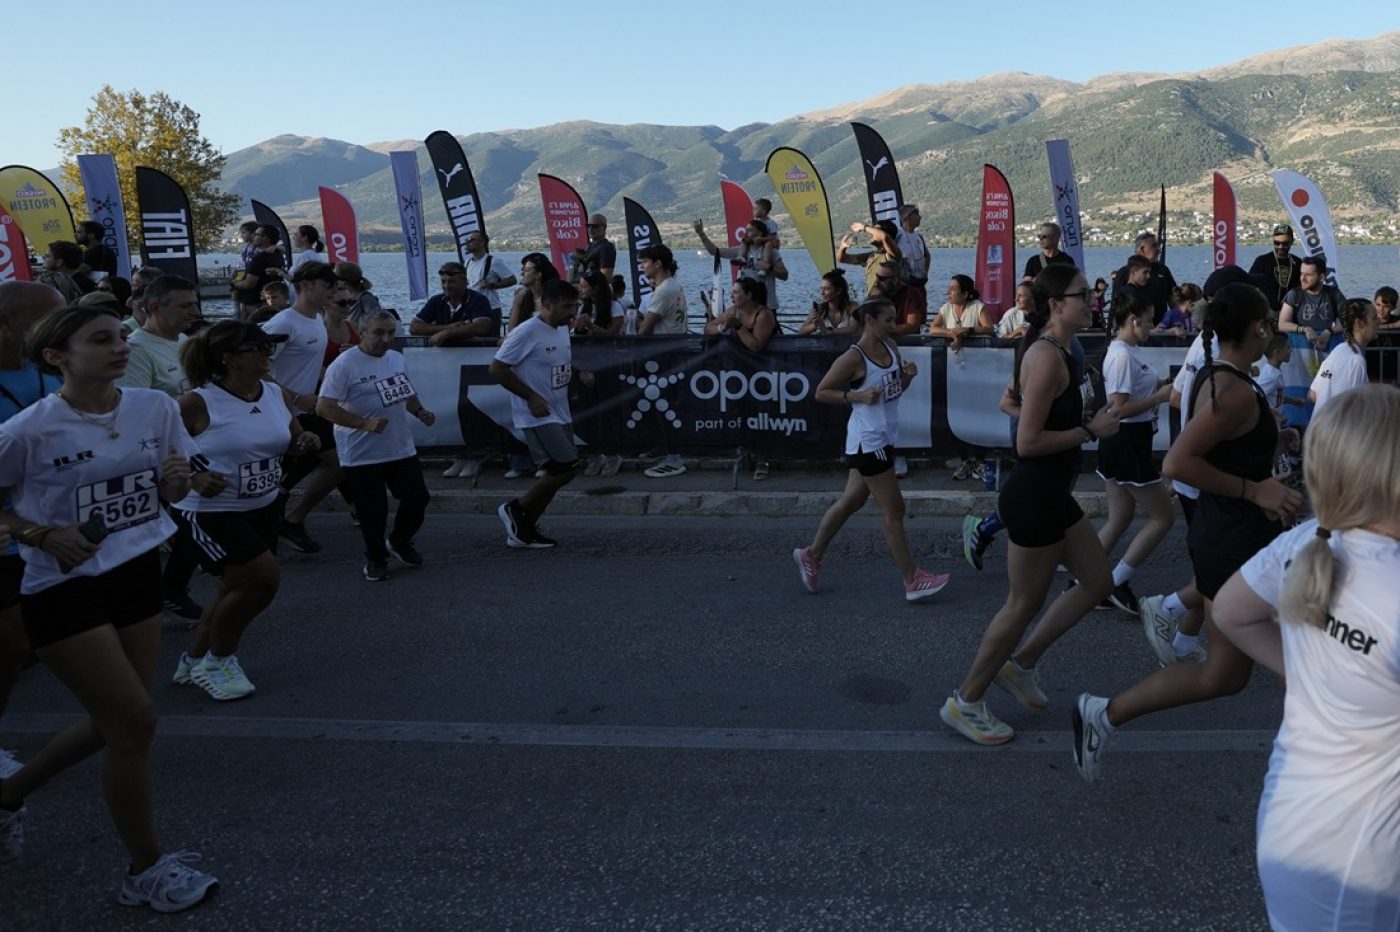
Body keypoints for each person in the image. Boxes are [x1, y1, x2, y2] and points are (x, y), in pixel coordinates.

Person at [0, 305, 218, 910]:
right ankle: (145, 870)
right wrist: (40, 534)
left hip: (136, 571)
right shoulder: (27, 431)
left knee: (118, 723)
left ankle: (8, 797)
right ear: (57, 357)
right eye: (101, 340)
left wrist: (177, 481)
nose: (120, 346)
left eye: (121, 336)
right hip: (63, 587)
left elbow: (170, 488)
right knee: (134, 724)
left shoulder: (155, 408)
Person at [1072, 282, 1304, 781]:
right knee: (1298, 658)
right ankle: (1326, 769)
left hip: (1234, 536)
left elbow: (1223, 449)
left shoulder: (1222, 378)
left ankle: (1103, 714)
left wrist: (1272, 444)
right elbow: (1178, 463)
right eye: (1267, 323)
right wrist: (1255, 490)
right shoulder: (1233, 389)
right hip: (1232, 539)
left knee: (1224, 676)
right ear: (1259, 328)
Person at [1211, 385, 1400, 931]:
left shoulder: (1306, 546)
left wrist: (1312, 674)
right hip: (1361, 865)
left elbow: (1230, 612)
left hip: (1290, 823)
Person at [940, 265, 1121, 746]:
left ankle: (1020, 666)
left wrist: (1075, 418)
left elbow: (1011, 401)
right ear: (1057, 304)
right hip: (1035, 494)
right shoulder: (1046, 357)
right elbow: (1028, 442)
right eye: (1082, 294)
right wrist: (1088, 430)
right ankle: (965, 701)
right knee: (1022, 604)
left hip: (1053, 493)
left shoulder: (1061, 348)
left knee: (1098, 582)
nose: (1092, 300)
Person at [171, 321, 317, 700]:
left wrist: (304, 440)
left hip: (262, 506)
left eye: (270, 348)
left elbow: (292, 437)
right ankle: (219, 662)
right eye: (260, 349)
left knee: (234, 587)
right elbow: (159, 446)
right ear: (230, 358)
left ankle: (193, 659)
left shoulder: (274, 392)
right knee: (263, 580)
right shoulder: (197, 402)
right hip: (210, 512)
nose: (269, 355)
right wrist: (194, 476)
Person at [792, 297, 951, 602]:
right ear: (869, 320)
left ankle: (811, 555)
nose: (893, 325)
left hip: (883, 435)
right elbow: (822, 392)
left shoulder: (890, 346)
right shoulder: (854, 357)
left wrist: (907, 376)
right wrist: (856, 396)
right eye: (888, 320)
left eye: (894, 319)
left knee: (852, 500)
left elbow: (895, 390)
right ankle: (912, 579)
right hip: (869, 441)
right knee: (895, 509)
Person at [0, 282, 65, 780]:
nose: (59, 329)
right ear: (6, 324)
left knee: (22, 649)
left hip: (51, 534)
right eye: (47, 319)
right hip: (8, 538)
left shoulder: (53, 374)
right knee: (13, 646)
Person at [317, 312, 434, 581]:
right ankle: (376, 558)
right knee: (373, 510)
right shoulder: (344, 365)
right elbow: (324, 407)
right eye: (379, 333)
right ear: (362, 333)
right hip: (361, 451)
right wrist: (363, 424)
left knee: (418, 498)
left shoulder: (396, 359)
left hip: (398, 446)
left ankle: (400, 541)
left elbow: (406, 392)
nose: (386, 339)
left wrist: (420, 411)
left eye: (391, 332)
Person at [117, 275, 204, 622]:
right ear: (154, 307)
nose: (195, 312)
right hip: (157, 458)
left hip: (187, 449)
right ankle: (161, 595)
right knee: (186, 525)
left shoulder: (182, 341)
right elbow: (133, 410)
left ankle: (169, 590)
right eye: (185, 306)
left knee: (193, 523)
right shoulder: (138, 349)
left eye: (195, 304)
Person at [1094, 290, 1175, 614]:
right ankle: (1116, 581)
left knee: (1120, 517)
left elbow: (1133, 393)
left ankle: (1086, 581)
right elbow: (1118, 408)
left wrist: (1162, 385)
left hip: (1126, 440)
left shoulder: (1128, 351)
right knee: (1163, 517)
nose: (1153, 326)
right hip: (1126, 440)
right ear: (1133, 320)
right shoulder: (1121, 356)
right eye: (1149, 321)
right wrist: (1159, 397)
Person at [491, 280, 581, 549]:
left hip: (560, 410)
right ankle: (515, 508)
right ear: (548, 305)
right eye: (567, 307)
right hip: (537, 414)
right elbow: (497, 369)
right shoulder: (526, 332)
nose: (572, 313)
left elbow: (557, 363)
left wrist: (577, 377)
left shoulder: (562, 328)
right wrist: (531, 397)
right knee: (566, 467)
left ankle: (525, 527)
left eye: (575, 306)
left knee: (559, 471)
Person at [263, 262, 336, 554]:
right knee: (336, 462)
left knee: (340, 463)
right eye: (327, 286)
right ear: (306, 286)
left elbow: (311, 366)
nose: (332, 292)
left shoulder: (317, 320)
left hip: (307, 410)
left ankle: (290, 518)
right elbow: (256, 368)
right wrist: (294, 398)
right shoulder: (283, 323)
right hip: (281, 412)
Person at [927, 274, 993, 480]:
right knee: (957, 415)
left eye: (954, 288)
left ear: (965, 293)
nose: (949, 292)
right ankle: (965, 460)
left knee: (979, 415)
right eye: (949, 288)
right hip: (955, 369)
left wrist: (967, 330)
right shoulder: (946, 308)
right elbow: (933, 328)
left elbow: (989, 328)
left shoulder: (977, 307)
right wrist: (952, 333)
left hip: (978, 370)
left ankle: (980, 460)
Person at [635, 245, 689, 478]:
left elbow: (644, 330)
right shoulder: (673, 285)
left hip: (663, 356)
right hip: (672, 353)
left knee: (665, 404)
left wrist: (635, 321)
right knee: (662, 403)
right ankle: (664, 447)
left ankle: (674, 457)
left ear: (658, 264)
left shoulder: (664, 290)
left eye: (645, 262)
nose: (642, 267)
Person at [693, 218, 787, 310]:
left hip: (766, 305)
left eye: (750, 230)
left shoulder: (771, 252)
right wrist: (701, 234)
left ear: (760, 233)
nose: (747, 233)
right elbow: (714, 251)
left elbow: (785, 275)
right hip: (746, 305)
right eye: (746, 230)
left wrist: (769, 268)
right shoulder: (741, 250)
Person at [1308, 297, 1378, 413]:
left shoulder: (1337, 351)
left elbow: (1312, 395)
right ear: (1359, 323)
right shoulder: (1356, 360)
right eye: (1374, 318)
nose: (1379, 322)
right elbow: (1352, 407)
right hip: (1337, 424)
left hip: (1320, 422)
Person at [409, 261, 498, 347]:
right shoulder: (436, 301)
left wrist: (447, 333)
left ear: (465, 282)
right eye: (443, 282)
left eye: (452, 282)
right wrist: (447, 328)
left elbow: (481, 327)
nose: (446, 286)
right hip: (443, 353)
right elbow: (414, 327)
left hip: (474, 352)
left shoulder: (478, 300)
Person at [1278, 256, 1344, 350]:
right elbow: (1282, 324)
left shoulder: (1334, 294)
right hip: (1301, 350)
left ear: (1321, 277)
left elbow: (1345, 322)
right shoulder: (1294, 294)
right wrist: (1305, 329)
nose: (1302, 278)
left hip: (1326, 348)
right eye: (1302, 273)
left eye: (1308, 275)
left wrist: (1329, 332)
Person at [1110, 232, 1177, 324]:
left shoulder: (1163, 270)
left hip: (1161, 326)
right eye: (1154, 246)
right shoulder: (1125, 272)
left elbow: (1172, 298)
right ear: (1142, 249)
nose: (1158, 250)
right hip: (1136, 326)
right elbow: (1116, 304)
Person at [705, 278, 777, 353]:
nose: (731, 296)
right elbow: (707, 328)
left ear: (748, 295)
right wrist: (722, 328)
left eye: (735, 292)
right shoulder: (735, 310)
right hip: (739, 356)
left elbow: (756, 347)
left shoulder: (763, 315)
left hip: (762, 358)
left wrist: (738, 327)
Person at [837, 220, 902, 303]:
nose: (870, 233)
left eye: (875, 230)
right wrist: (842, 248)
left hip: (886, 303)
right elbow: (842, 259)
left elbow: (884, 236)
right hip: (872, 301)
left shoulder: (893, 254)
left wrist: (864, 227)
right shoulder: (871, 256)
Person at [231, 225, 286, 319]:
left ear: (265, 238)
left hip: (255, 305)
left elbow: (249, 284)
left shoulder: (259, 258)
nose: (253, 236)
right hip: (267, 304)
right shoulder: (278, 255)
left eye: (256, 234)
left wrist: (234, 284)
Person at [1247, 223, 1303, 313]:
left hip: (1291, 311)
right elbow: (1250, 287)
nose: (1280, 246)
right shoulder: (1262, 261)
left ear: (1292, 241)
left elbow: (1303, 287)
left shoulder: (1298, 262)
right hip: (1266, 312)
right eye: (1277, 243)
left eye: (1285, 243)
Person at [464, 231, 517, 322]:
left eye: (471, 240)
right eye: (467, 240)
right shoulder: (467, 262)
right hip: (472, 308)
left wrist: (492, 285)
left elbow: (512, 280)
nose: (467, 242)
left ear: (482, 243)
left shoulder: (493, 261)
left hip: (490, 309)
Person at [895, 204, 931, 319]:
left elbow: (927, 255)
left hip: (919, 284)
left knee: (920, 315)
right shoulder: (897, 236)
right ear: (907, 217)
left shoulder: (919, 237)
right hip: (905, 285)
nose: (920, 217)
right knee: (907, 315)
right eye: (917, 214)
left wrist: (925, 273)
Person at [798, 270, 858, 336]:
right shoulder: (820, 308)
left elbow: (853, 329)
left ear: (838, 291)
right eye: (821, 289)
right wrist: (815, 325)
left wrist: (828, 331)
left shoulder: (851, 307)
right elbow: (801, 332)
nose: (822, 293)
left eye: (826, 289)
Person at [334, 262, 384, 331]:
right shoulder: (343, 299)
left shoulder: (366, 299)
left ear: (343, 282)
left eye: (335, 278)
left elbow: (379, 323)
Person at [569, 214, 616, 283]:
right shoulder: (589, 246)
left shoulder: (606, 248)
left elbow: (605, 278)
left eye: (595, 226)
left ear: (604, 227)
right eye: (588, 226)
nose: (590, 229)